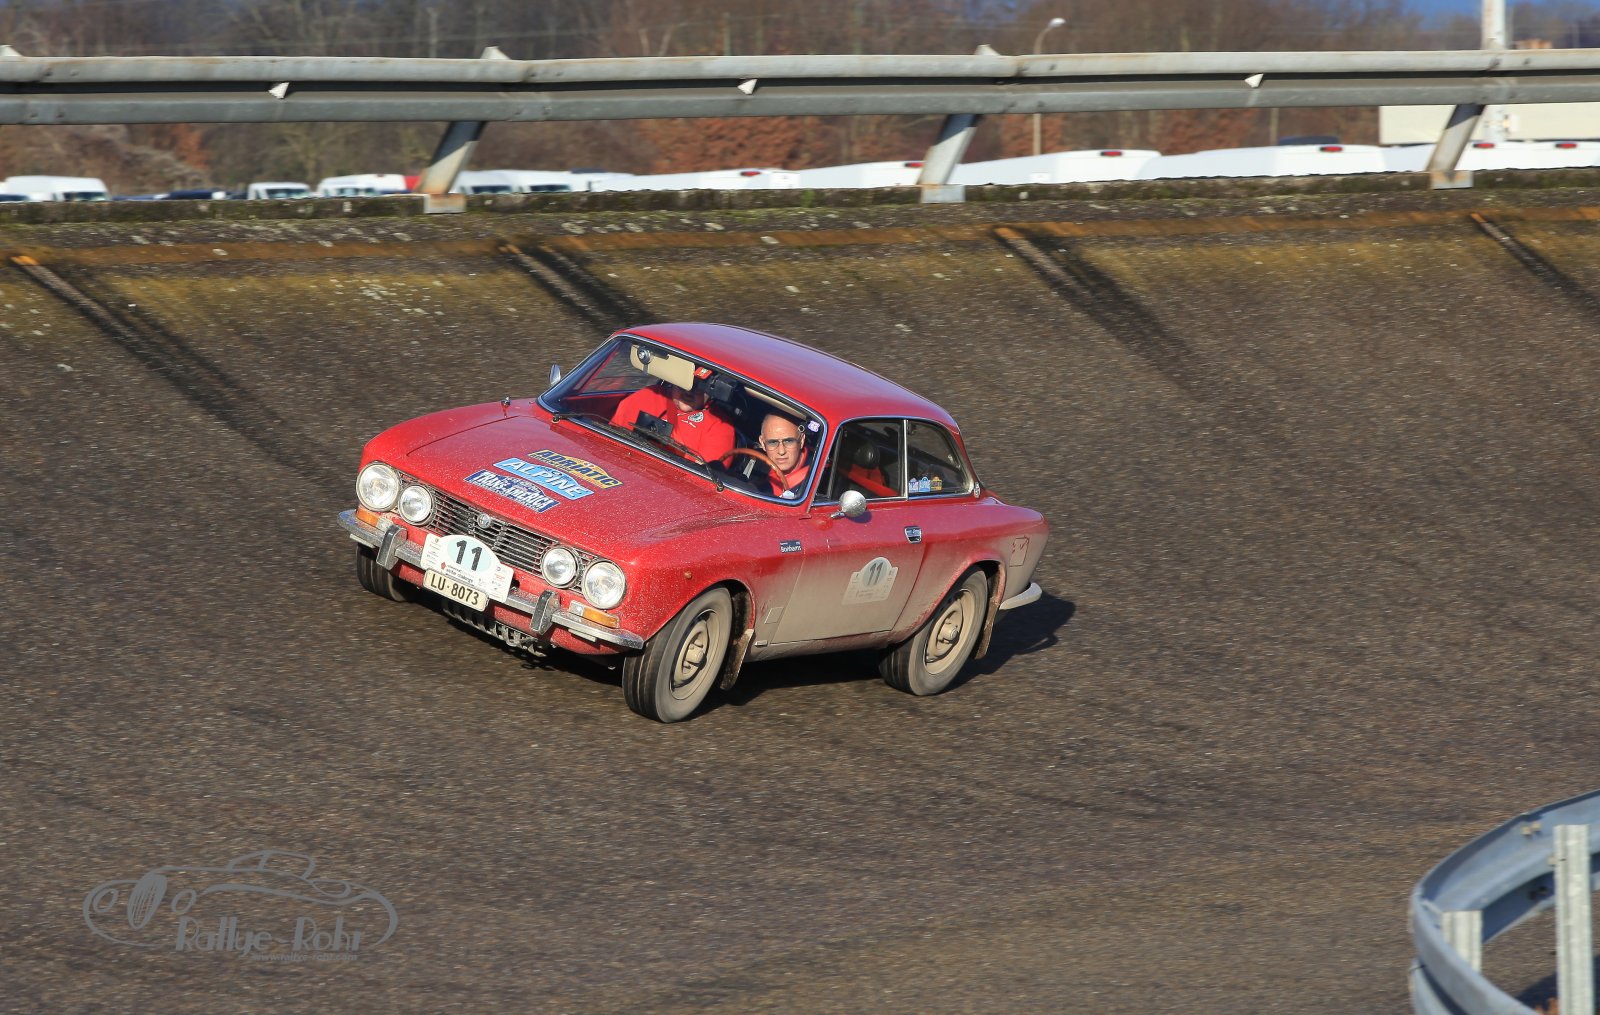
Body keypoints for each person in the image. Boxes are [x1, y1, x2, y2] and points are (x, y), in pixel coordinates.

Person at [609, 369, 735, 462]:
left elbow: (703, 482)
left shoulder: (720, 426)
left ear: (710, 390)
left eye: (698, 387)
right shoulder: (649, 395)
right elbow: (611, 439)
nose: (688, 392)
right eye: (684, 384)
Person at [760, 412, 812, 499]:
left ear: (801, 440)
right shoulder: (756, 466)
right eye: (772, 442)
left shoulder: (819, 481)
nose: (781, 451)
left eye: (789, 441)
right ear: (762, 443)